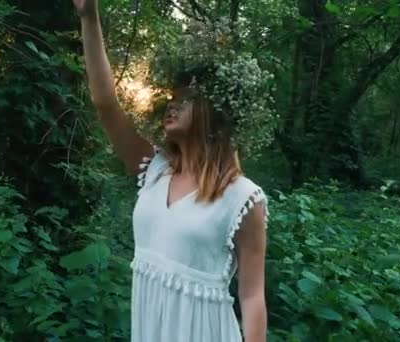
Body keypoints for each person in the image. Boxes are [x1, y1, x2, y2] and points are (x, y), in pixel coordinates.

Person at [72, 0, 268, 341]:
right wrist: (90, 16)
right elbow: (105, 102)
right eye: (170, 97)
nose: (171, 105)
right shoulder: (154, 170)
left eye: (186, 98)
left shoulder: (241, 198)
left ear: (213, 112)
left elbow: (252, 298)